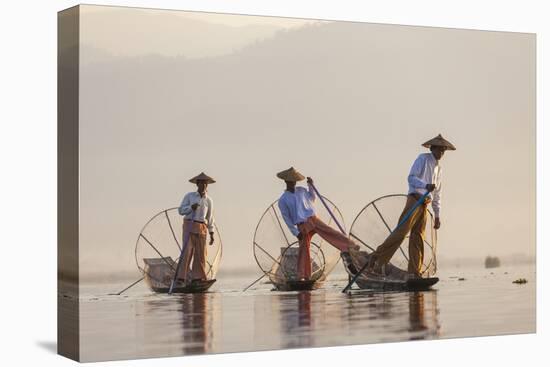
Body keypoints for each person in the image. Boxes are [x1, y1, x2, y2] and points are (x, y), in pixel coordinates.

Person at [367, 134, 456, 278]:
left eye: (443, 151)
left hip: (425, 204)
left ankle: (415, 271)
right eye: (439, 150)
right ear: (432, 148)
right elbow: (411, 178)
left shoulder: (439, 169)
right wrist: (425, 185)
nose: (441, 153)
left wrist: (437, 215)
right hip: (415, 200)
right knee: (401, 232)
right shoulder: (423, 159)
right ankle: (376, 258)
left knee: (418, 238)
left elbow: (438, 194)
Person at [276, 167, 359, 280]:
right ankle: (304, 275)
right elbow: (287, 219)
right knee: (304, 249)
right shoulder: (283, 200)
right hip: (302, 224)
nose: (293, 182)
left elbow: (312, 198)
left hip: (313, 218)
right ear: (286, 181)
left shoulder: (302, 191)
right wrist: (295, 232)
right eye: (290, 180)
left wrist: (311, 185)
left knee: (330, 232)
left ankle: (350, 246)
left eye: (294, 180)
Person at [176, 172, 216, 284]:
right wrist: (190, 208)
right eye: (201, 183)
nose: (203, 185)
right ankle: (181, 278)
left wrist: (211, 233)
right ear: (197, 184)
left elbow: (210, 217)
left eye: (205, 183)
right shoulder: (189, 196)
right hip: (189, 224)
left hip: (202, 227)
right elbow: (180, 210)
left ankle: (197, 278)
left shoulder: (209, 200)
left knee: (201, 253)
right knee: (187, 251)